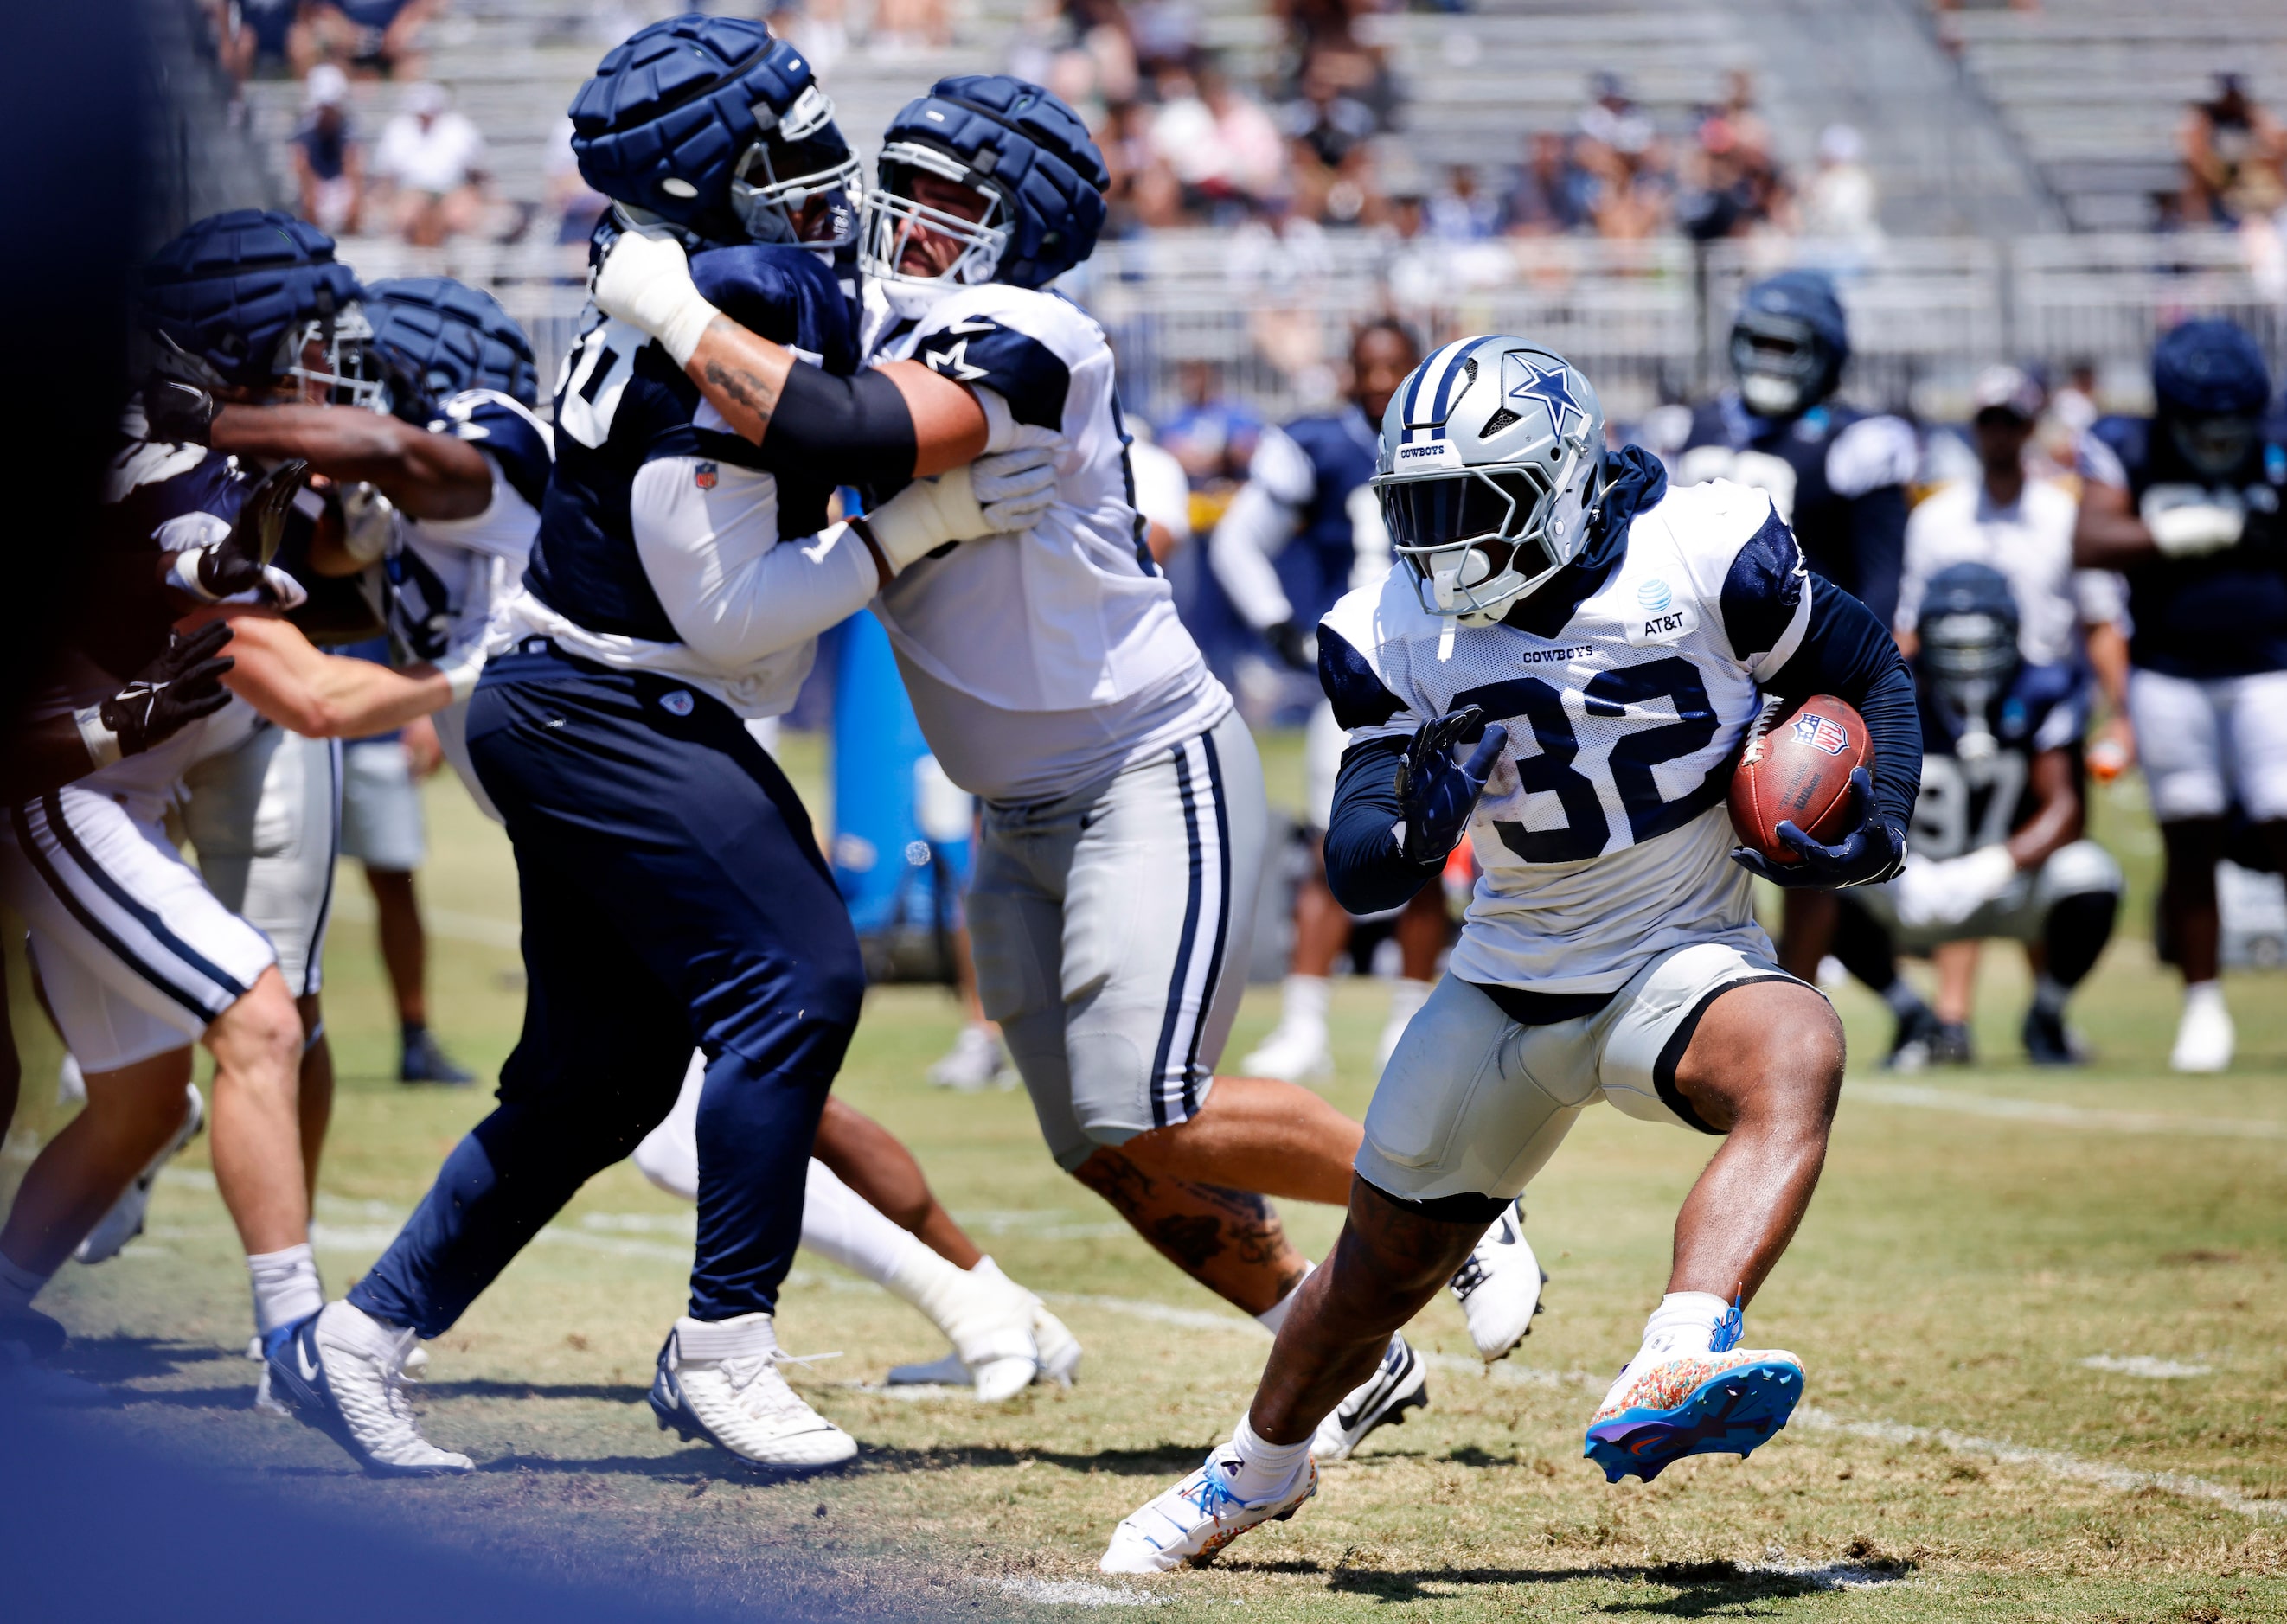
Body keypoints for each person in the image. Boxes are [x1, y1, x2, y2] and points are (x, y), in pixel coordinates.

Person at [599, 74, 1549, 1448]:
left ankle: (1461, 1197)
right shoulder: (887, 318)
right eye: (902, 185)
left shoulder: (1037, 332)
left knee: (1148, 1097)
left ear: (1021, 226)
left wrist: (673, 307)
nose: (905, 218)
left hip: (1139, 766)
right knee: (1101, 1143)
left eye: (947, 201)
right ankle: (1326, 1341)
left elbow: (838, 427)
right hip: (1013, 803)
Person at [265, 19, 1059, 1477]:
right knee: (798, 976)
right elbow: (730, 607)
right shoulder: (746, 287)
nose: (825, 163)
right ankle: (723, 1347)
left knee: (598, 1079)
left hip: (584, 697)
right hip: (612, 700)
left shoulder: (718, 277)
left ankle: (362, 1339)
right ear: (713, 172)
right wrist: (914, 525)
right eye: (786, 136)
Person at [1102, 335, 1920, 1570]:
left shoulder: (1704, 549)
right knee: (1378, 1272)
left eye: (1462, 507)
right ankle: (1252, 1469)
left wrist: (1882, 814)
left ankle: (1682, 1343)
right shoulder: (1389, 628)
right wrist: (1408, 832)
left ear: (1554, 478)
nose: (1433, 543)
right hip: (1504, 983)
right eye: (1413, 510)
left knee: (1798, 1041)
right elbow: (1359, 861)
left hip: (1676, 958)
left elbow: (1862, 664)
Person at [1, 210, 469, 1372]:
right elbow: (294, 670)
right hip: (77, 776)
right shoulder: (168, 467)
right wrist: (481, 661)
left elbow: (339, 561)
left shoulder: (233, 445)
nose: (333, 358)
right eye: (312, 335)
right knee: (251, 1018)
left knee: (167, 1091)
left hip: (151, 759)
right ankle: (297, 1339)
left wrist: (344, 542)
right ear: (249, 338)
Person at [1210, 320, 1451, 1086]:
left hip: (1446, 670)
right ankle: (1304, 1024)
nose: (1382, 381)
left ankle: (1411, 1020)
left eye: (1396, 366)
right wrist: (1277, 623)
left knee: (1433, 852)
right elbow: (1238, 540)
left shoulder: (1457, 437)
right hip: (1359, 675)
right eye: (1369, 366)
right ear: (1347, 372)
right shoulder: (1320, 444)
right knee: (1328, 844)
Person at [1678, 271, 1915, 987]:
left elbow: (1880, 576)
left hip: (1806, 666)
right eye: (1761, 343)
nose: (1773, 362)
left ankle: (1797, 986)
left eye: (1792, 347)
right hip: (1705, 663)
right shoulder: (1689, 426)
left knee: (1801, 818)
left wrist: (1867, 672)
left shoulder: (1857, 440)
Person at [2074, 319, 2287, 1072]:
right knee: (2189, 842)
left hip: (2271, 668)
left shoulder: (2278, 432)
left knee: (2282, 820)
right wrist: (2183, 534)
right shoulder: (2127, 444)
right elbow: (2091, 538)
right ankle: (2203, 1008)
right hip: (2169, 673)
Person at [1836, 565, 2121, 1067]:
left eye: (1982, 641)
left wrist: (1995, 865)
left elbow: (2066, 809)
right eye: (1954, 643)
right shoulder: (1890, 688)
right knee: (1823, 879)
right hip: (1910, 878)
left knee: (2091, 876)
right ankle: (1912, 1016)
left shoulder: (2042, 688)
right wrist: (1890, 855)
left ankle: (2047, 1016)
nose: (1970, 660)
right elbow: (1851, 794)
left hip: (2007, 880)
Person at [372, 82, 486, 248]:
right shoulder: (398, 130)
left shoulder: (459, 128)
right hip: (412, 191)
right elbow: (386, 178)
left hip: (452, 191)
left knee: (460, 216)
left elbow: (477, 174)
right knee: (405, 214)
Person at [292, 64, 364, 237]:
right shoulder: (305, 128)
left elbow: (353, 165)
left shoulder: (348, 126)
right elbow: (301, 165)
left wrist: (353, 198)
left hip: (339, 182)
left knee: (354, 204)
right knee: (309, 202)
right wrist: (311, 191)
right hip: (316, 183)